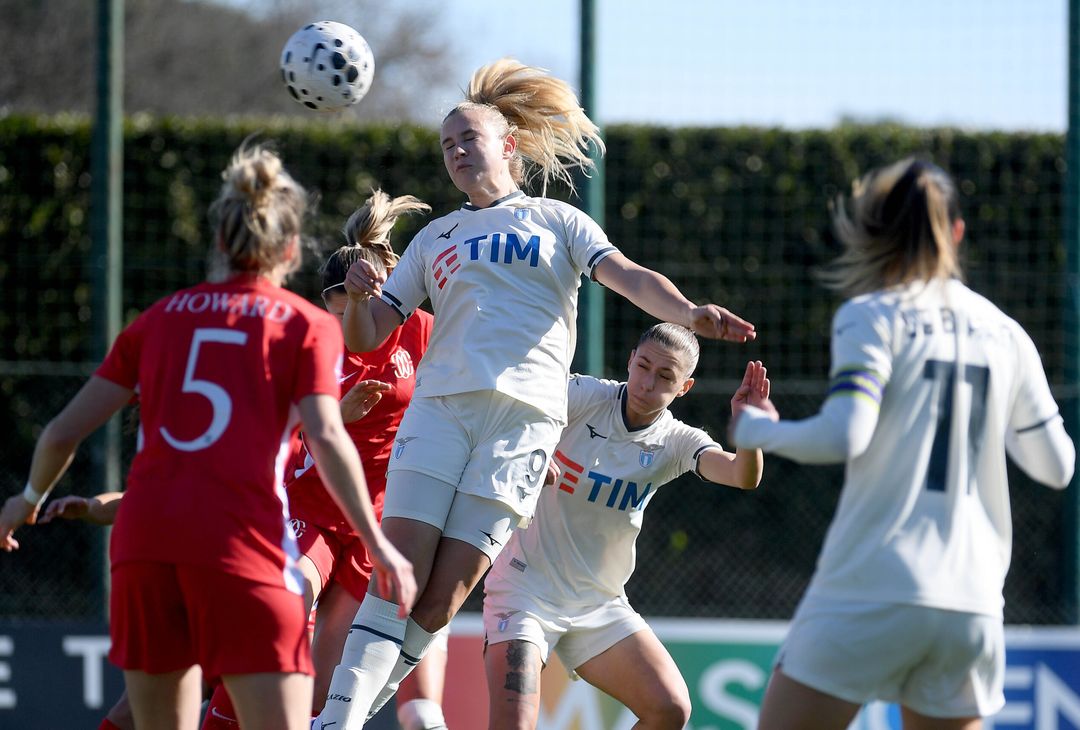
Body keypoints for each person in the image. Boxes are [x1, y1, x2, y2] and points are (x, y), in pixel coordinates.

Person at [315, 58, 757, 729]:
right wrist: (354, 299)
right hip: (440, 414)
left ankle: (340, 716)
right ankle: (334, 723)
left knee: (439, 602)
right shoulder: (435, 237)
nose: (458, 152)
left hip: (522, 429)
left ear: (508, 146)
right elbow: (368, 334)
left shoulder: (560, 222)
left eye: (470, 138)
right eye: (447, 145)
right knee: (396, 580)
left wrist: (689, 312)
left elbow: (633, 279)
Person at [0, 143, 416, 730]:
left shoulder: (158, 318)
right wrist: (379, 542)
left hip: (145, 551)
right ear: (292, 250)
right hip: (244, 549)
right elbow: (326, 436)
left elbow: (63, 430)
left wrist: (28, 500)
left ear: (218, 243)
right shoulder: (307, 327)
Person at [730, 158, 1075, 730]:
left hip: (869, 589)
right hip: (971, 603)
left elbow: (846, 433)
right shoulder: (1008, 333)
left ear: (873, 233)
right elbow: (1057, 465)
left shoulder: (869, 316)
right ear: (957, 233)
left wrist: (757, 430)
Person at [200, 190, 450, 729]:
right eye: (338, 310)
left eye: (355, 306)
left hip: (378, 521)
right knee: (282, 613)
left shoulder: (423, 331)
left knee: (324, 676)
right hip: (311, 509)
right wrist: (337, 414)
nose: (347, 323)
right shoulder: (310, 340)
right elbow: (277, 428)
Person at [484, 324, 766, 729]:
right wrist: (533, 448)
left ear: (684, 387)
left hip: (598, 604)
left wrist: (750, 431)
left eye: (665, 377)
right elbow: (509, 409)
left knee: (670, 709)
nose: (648, 382)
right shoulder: (583, 396)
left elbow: (743, 475)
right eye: (643, 365)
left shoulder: (675, 441)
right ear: (630, 359)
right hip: (524, 591)